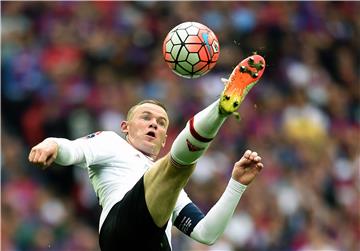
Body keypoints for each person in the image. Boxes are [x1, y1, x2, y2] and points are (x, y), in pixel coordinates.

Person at [29, 55, 265, 251]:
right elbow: (72, 150)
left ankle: (220, 108)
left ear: (164, 139)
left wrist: (236, 185)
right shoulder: (110, 142)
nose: (154, 124)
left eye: (161, 123)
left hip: (156, 244)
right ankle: (220, 108)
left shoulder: (170, 187)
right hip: (120, 229)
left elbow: (206, 233)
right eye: (146, 118)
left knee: (175, 171)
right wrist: (50, 144)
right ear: (125, 127)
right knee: (180, 166)